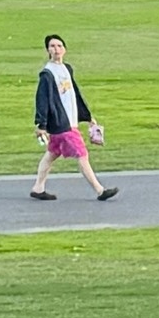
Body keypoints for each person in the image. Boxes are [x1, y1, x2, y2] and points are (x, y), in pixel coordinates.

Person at [30, 35, 115, 202]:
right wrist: (41, 124)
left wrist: (87, 116)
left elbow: (74, 94)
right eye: (52, 46)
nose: (56, 49)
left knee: (51, 154)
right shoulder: (47, 74)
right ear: (48, 50)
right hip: (62, 124)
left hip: (70, 121)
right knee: (82, 154)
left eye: (59, 45)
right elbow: (42, 99)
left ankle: (38, 188)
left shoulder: (67, 69)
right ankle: (100, 190)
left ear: (65, 49)